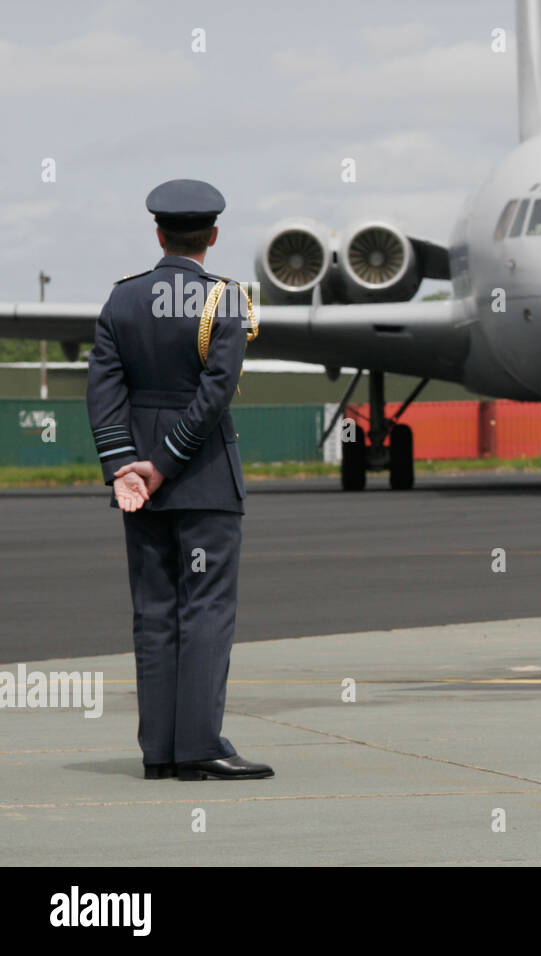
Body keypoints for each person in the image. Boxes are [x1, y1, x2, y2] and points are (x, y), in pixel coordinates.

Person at [86, 179, 273, 781]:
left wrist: (125, 467)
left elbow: (103, 394)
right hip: (204, 478)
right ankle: (199, 747)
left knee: (155, 612)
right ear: (212, 236)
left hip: (137, 486)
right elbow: (214, 396)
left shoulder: (122, 300)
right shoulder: (229, 300)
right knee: (207, 611)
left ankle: (159, 752)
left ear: (158, 233)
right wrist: (165, 464)